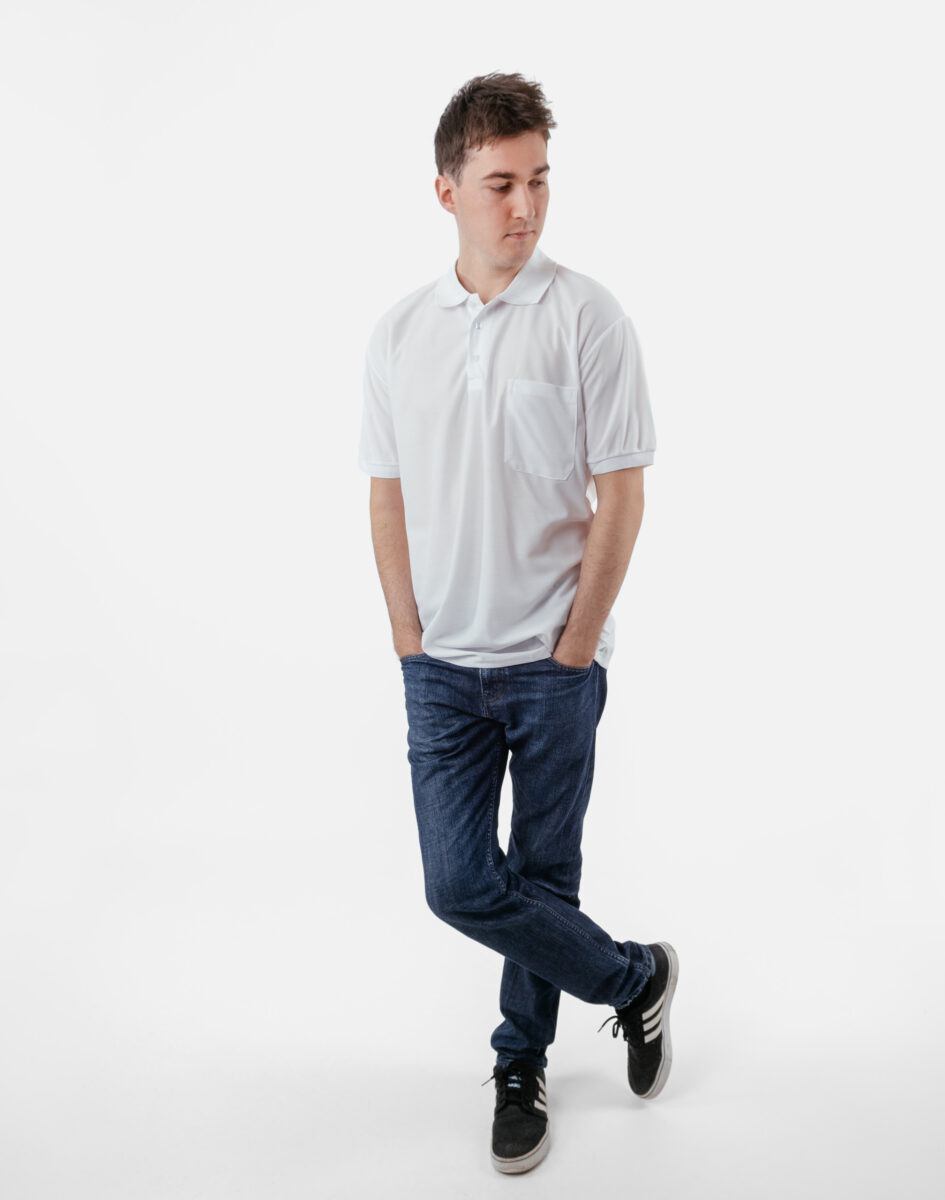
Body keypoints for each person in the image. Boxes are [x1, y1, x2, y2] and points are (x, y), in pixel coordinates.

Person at [357, 71, 679, 1174]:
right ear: (445, 189)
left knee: (544, 880)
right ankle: (634, 978)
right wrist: (408, 641)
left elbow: (621, 495)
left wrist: (575, 646)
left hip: (552, 662)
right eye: (500, 183)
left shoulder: (589, 318)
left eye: (540, 179)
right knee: (459, 884)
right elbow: (387, 495)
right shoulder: (399, 335)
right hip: (441, 668)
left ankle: (519, 1063)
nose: (525, 205)